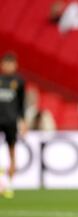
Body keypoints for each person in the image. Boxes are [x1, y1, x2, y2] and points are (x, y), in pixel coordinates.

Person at [0, 53, 27, 199]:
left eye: (11, 63)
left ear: (15, 65)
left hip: (11, 121)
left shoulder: (19, 82)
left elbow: (21, 104)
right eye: (6, 63)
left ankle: (9, 184)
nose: (8, 66)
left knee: (12, 153)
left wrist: (22, 121)